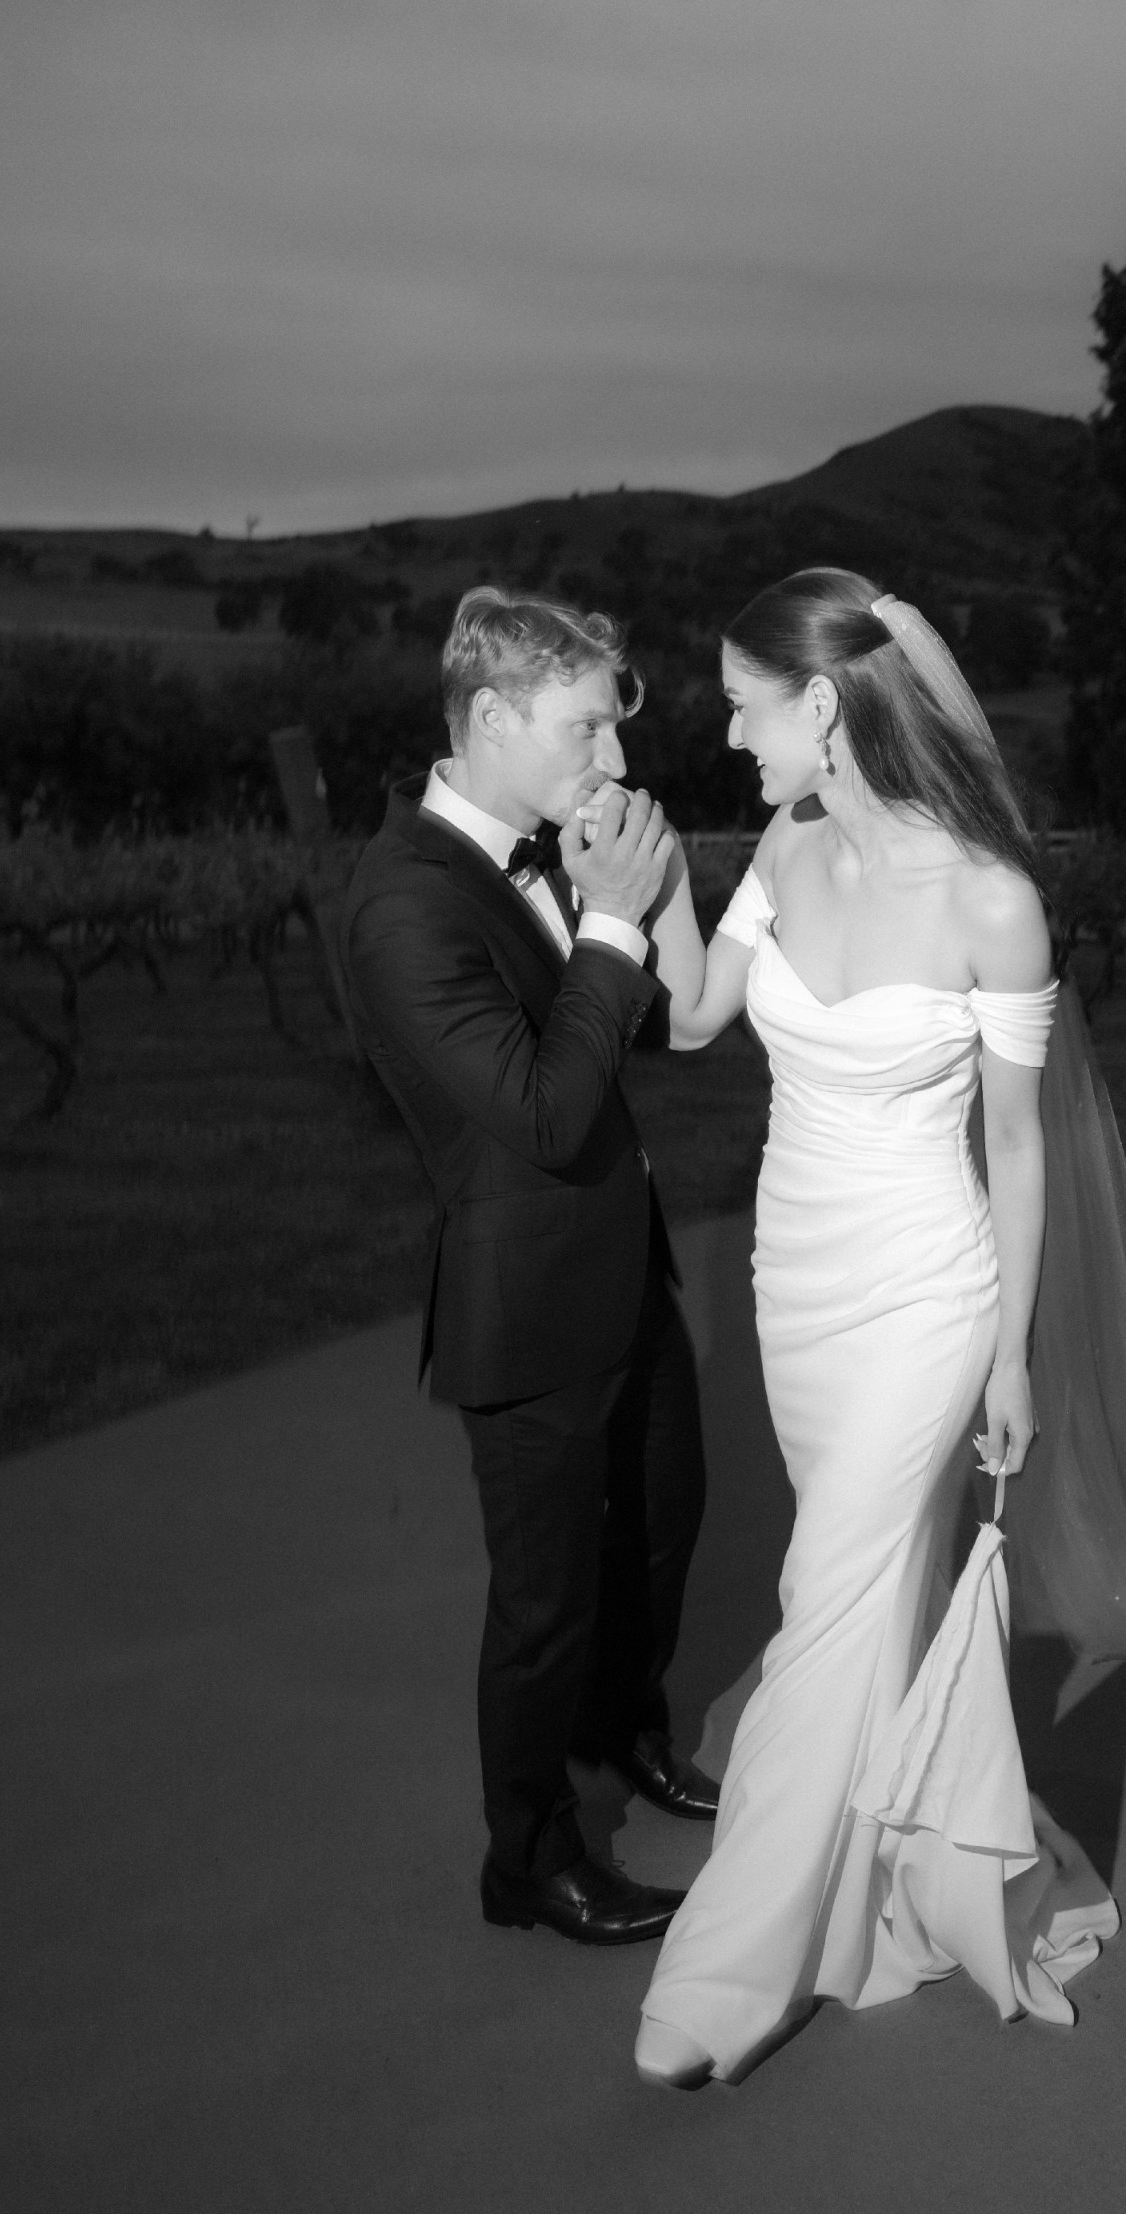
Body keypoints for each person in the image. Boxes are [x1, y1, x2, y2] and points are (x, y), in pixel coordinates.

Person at [630, 567, 1126, 2086]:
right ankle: (890, 1849)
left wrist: (1012, 1354)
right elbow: (695, 1017)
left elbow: (1020, 1145)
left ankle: (733, 1965)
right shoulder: (783, 843)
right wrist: (633, 898)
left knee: (823, 1594)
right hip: (794, 1280)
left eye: (745, 706)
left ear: (823, 704)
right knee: (868, 1591)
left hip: (927, 1293)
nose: (727, 735)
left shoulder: (990, 899)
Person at [341, 587, 717, 1950]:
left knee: (665, 1516)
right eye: (584, 729)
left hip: (628, 1266)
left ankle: (626, 1729)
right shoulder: (402, 904)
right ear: (492, 718)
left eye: (615, 729)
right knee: (544, 1603)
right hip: (528, 1301)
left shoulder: (557, 849)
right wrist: (612, 919)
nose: (611, 759)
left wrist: (641, 899)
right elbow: (549, 1115)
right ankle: (532, 1859)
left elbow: (651, 1027)